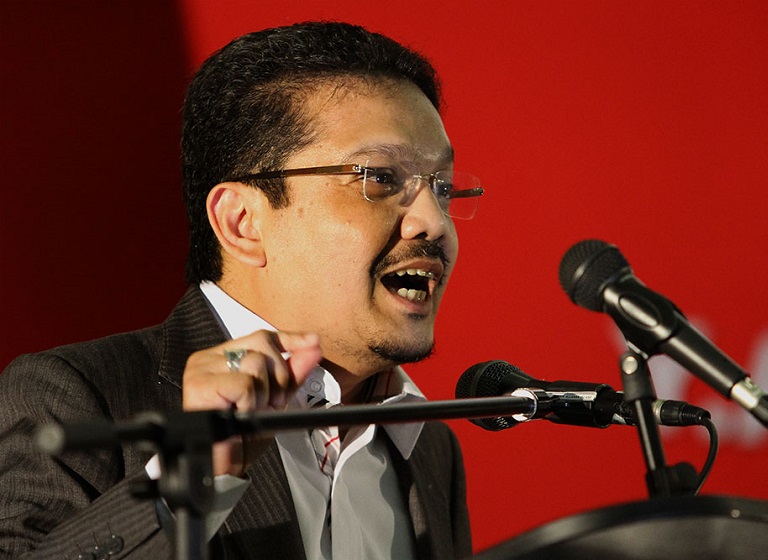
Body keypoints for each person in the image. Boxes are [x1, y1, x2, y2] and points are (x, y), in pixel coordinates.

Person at [0, 21, 483, 559]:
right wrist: (188, 480)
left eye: (442, 187)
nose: (433, 223)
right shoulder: (75, 401)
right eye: (380, 179)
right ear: (242, 222)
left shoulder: (430, 447)